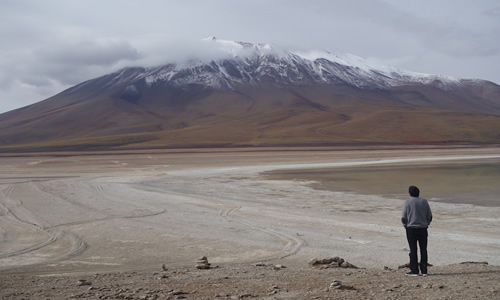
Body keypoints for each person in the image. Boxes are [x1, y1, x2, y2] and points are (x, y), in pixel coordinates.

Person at [401, 185, 433, 276]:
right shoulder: (424, 202)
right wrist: (426, 224)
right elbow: (430, 216)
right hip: (423, 229)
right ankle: (424, 270)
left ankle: (414, 270)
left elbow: (403, 217)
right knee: (423, 249)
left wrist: (406, 226)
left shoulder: (407, 202)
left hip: (411, 229)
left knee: (413, 250)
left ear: (410, 193)